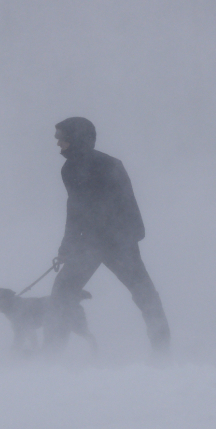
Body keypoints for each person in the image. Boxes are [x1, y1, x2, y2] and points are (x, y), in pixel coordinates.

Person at [45, 116, 170, 354]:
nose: (57, 144)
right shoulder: (72, 168)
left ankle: (163, 351)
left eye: (61, 138)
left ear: (75, 138)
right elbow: (76, 211)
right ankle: (51, 355)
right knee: (64, 293)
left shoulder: (104, 165)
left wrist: (124, 237)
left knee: (143, 295)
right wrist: (67, 247)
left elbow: (123, 204)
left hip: (115, 243)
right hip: (96, 244)